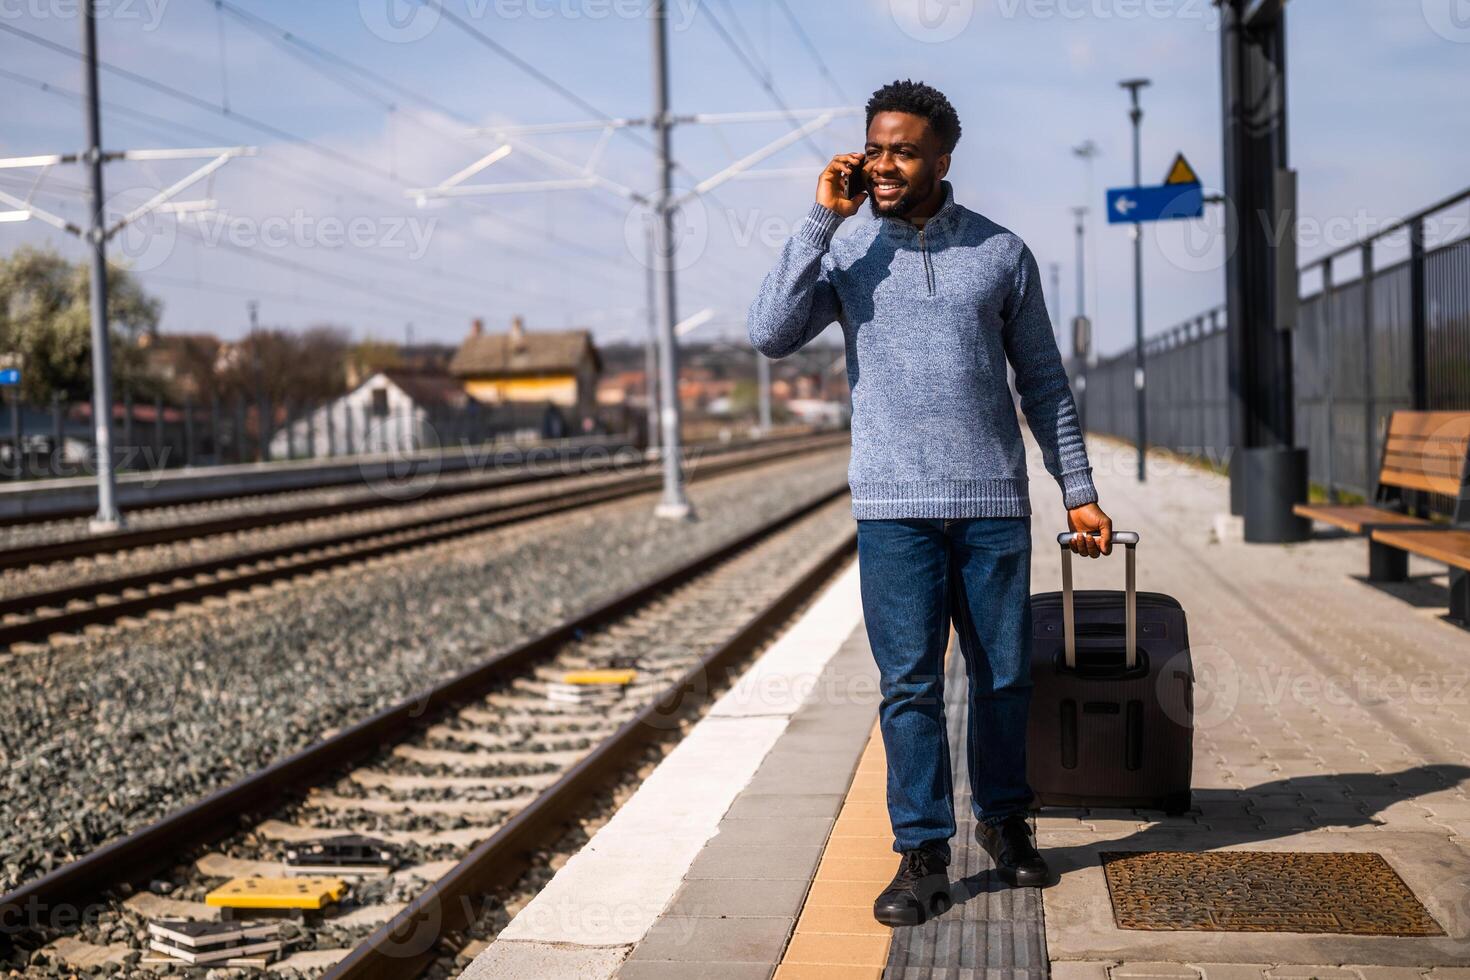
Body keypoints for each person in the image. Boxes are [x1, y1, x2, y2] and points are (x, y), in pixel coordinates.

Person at [747, 80, 1114, 927]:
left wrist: (1080, 493)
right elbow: (769, 332)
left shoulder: (1000, 252)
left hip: (992, 502)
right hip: (893, 507)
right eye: (874, 147)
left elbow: (1046, 383)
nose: (883, 163)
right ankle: (921, 852)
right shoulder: (845, 252)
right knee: (908, 687)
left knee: (1004, 678)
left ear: (942, 159)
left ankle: (1007, 823)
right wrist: (818, 222)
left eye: (903, 150)